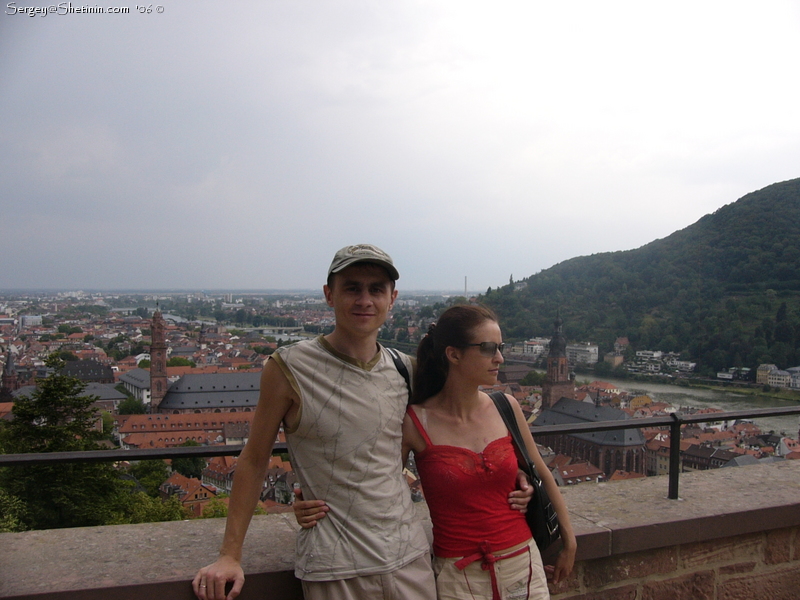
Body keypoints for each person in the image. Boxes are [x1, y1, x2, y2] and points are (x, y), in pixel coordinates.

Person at [193, 245, 531, 600]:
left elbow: (459, 427)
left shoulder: (407, 370)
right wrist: (230, 554)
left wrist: (508, 473)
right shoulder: (288, 367)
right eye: (352, 288)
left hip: (407, 557)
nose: (365, 299)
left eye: (376, 289)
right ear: (329, 295)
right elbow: (254, 458)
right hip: (334, 567)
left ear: (392, 298)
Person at [297, 304, 577, 600]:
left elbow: (542, 474)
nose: (500, 358)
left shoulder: (506, 406)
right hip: (459, 578)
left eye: (500, 348)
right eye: (488, 348)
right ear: (453, 354)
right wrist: (311, 498)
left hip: (524, 567)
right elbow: (372, 484)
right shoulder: (415, 422)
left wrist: (569, 543)